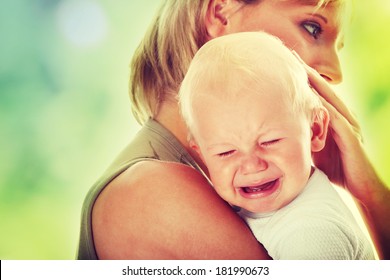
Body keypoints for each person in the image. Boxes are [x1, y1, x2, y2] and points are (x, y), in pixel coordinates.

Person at [77, 0, 390, 259]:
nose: (335, 72)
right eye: (312, 28)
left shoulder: (246, 190)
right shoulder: (150, 194)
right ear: (221, 12)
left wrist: (366, 191)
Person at [178, 31, 376, 259]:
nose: (252, 166)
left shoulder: (310, 235)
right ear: (201, 154)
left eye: (269, 141)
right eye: (226, 152)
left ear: (315, 130)